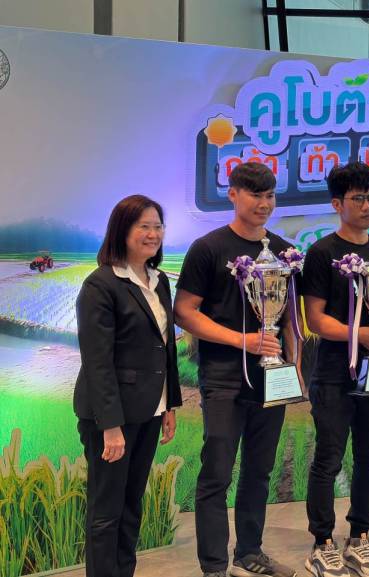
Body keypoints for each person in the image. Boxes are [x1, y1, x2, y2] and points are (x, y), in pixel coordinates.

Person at [174, 162, 298, 577]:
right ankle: (213, 566)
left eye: (270, 195)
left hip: (272, 377)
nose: (264, 203)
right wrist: (240, 339)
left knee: (260, 471)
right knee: (217, 473)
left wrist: (293, 368)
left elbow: (290, 321)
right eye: (254, 194)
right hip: (224, 377)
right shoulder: (208, 248)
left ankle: (250, 553)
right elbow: (184, 312)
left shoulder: (284, 251)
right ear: (233, 194)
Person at [302, 161, 369, 577]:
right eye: (358, 198)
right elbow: (316, 319)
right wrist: (359, 334)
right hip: (333, 373)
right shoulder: (322, 253)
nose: (367, 206)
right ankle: (322, 542)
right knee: (328, 457)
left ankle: (360, 537)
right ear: (337, 204)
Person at [74, 194, 182, 577]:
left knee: (131, 505)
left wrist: (170, 404)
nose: (153, 234)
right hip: (112, 418)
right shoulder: (101, 285)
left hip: (150, 410)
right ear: (123, 231)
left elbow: (165, 348)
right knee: (107, 511)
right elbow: (97, 361)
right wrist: (111, 426)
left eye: (158, 226)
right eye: (144, 226)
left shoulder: (159, 280)